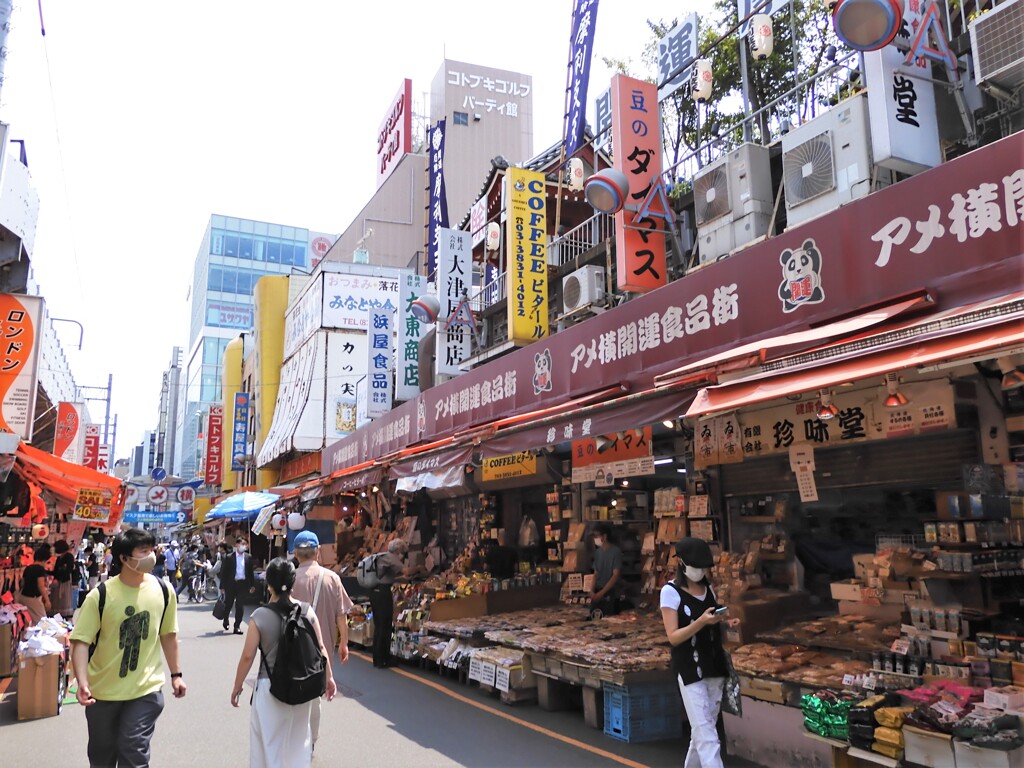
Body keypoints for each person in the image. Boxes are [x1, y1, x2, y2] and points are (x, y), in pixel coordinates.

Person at [69, 527, 186, 768]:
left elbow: (168, 634)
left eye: (151, 550)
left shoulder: (164, 591)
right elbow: (81, 642)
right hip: (103, 692)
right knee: (102, 755)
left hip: (146, 689)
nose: (151, 556)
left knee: (133, 748)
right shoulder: (100, 596)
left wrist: (176, 675)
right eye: (143, 551)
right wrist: (82, 682)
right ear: (123, 558)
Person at [231, 557, 336, 768]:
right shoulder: (307, 611)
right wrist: (329, 677)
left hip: (270, 687)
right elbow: (321, 647)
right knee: (298, 742)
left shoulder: (260, 616)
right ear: (293, 581)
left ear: (269, 584)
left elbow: (248, 656)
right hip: (301, 685)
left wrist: (237, 686)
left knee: (268, 744)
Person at [660, 537, 739, 768]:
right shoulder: (670, 592)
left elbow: (712, 622)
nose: (701, 571)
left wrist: (724, 622)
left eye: (704, 567)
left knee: (703, 730)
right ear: (682, 563)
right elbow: (673, 637)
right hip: (689, 668)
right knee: (707, 737)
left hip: (713, 665)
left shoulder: (708, 588)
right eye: (697, 567)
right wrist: (701, 621)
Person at [289, 531, 352, 748]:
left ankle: (296, 737)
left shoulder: (289, 579)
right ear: (317, 552)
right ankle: (311, 741)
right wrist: (344, 642)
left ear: (296, 554)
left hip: (293, 647)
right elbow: (341, 615)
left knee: (294, 694)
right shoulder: (332, 578)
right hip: (321, 649)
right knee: (315, 695)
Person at [368, 539, 416, 668]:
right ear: (397, 550)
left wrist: (401, 579)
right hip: (382, 593)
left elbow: (388, 577)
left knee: (379, 625)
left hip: (374, 591)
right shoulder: (391, 557)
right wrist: (419, 568)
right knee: (385, 625)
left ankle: (377, 658)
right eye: (402, 552)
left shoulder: (382, 556)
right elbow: (406, 571)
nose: (402, 555)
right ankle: (384, 659)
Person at [221, 537, 256, 634]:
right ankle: (226, 619)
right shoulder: (229, 557)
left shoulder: (248, 557)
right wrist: (222, 587)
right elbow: (224, 572)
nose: (243, 546)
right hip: (231, 584)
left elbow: (250, 572)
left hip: (242, 584)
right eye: (242, 544)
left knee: (240, 606)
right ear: (236, 545)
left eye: (245, 544)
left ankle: (237, 626)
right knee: (228, 604)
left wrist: (252, 585)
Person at [590, 524, 623, 616]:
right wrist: (592, 590)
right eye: (594, 536)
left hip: (610, 593)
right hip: (598, 590)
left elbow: (615, 575)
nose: (595, 538)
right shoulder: (597, 552)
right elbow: (595, 573)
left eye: (597, 536)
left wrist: (602, 593)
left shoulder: (616, 552)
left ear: (604, 536)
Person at [16, 543, 52, 624]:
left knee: (29, 620)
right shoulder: (40, 569)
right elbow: (41, 586)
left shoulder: (28, 568)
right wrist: (47, 600)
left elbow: (22, 583)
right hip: (33, 598)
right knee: (42, 621)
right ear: (44, 560)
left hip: (23, 596)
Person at [50, 540, 77, 617]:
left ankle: (64, 615)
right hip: (58, 582)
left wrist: (58, 579)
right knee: (57, 600)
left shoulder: (69, 556)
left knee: (63, 599)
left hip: (64, 581)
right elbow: (56, 571)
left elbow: (68, 570)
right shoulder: (59, 558)